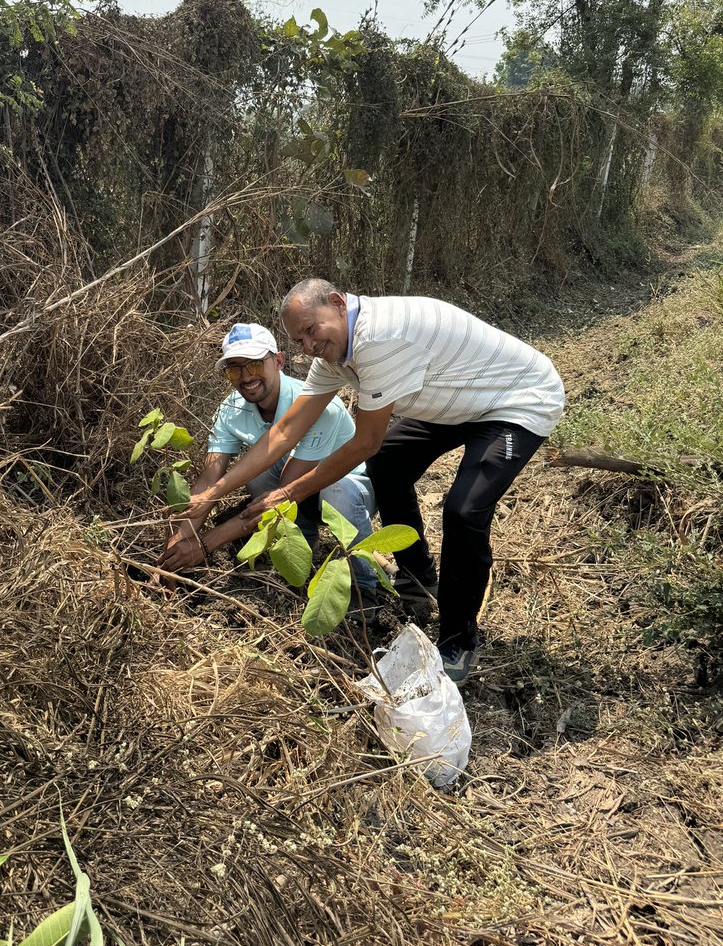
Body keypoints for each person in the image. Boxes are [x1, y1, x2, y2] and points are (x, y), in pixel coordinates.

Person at [179, 282, 564, 684]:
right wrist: (211, 492)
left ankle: (457, 641)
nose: (309, 345)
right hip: (457, 400)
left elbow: (365, 441)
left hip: (517, 399)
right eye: (299, 339)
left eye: (312, 330)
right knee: (389, 464)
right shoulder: (332, 356)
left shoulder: (379, 338)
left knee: (464, 511)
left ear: (338, 303)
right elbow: (283, 433)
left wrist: (289, 492)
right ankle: (417, 579)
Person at [159, 321, 381, 621]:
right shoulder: (231, 408)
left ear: (278, 361)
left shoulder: (317, 405)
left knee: (335, 490)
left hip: (347, 491)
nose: (246, 377)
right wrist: (174, 550)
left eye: (254, 365)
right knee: (257, 471)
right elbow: (209, 480)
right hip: (295, 493)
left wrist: (204, 545)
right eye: (234, 369)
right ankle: (302, 548)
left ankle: (363, 587)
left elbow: (282, 497)